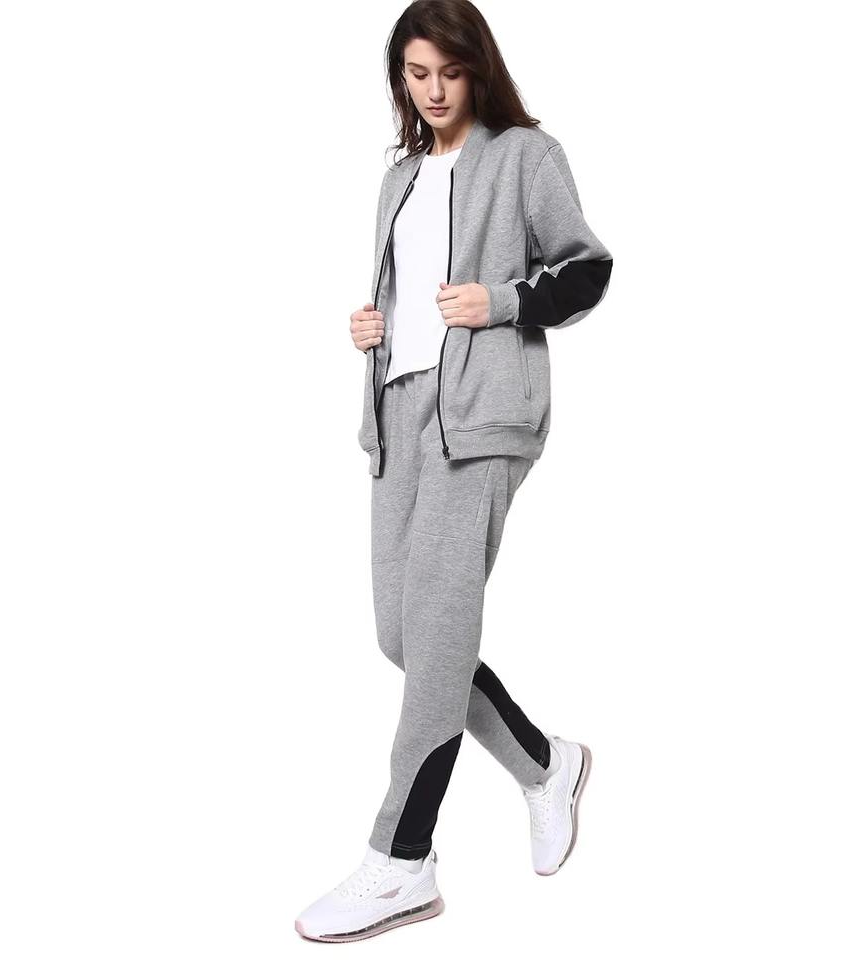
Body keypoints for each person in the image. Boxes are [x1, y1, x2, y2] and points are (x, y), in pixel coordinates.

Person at [296, 0, 613, 942]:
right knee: (405, 638)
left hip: (480, 420)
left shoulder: (525, 156)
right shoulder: (396, 178)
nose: (433, 91)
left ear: (478, 69)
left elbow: (588, 268)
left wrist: (503, 300)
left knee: (434, 638)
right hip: (397, 418)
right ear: (400, 76)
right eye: (417, 73)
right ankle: (547, 765)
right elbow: (407, 292)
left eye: (450, 72)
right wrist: (373, 326)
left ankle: (402, 859)